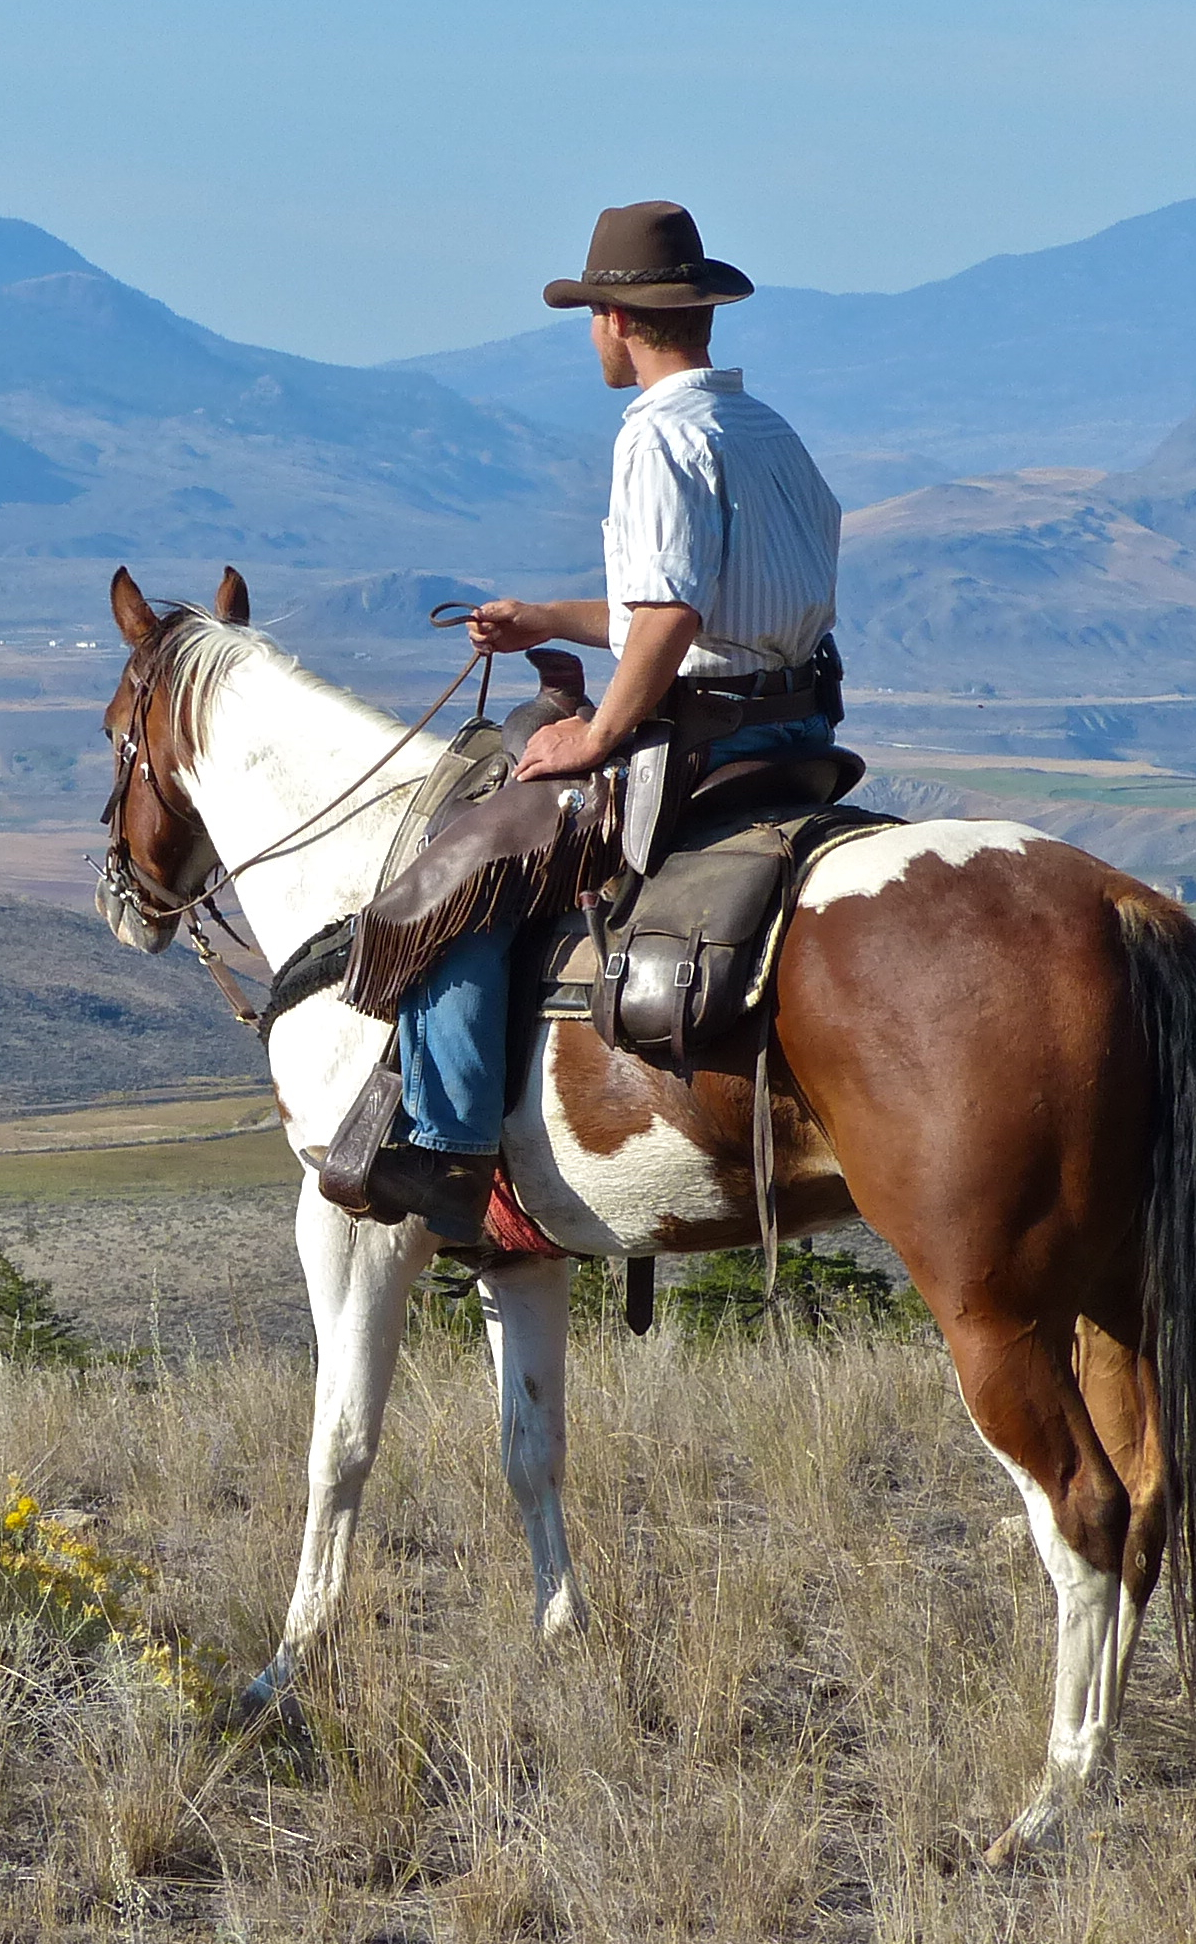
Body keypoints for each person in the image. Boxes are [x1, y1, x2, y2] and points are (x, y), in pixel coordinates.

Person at [362, 199, 844, 1222]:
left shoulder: (658, 436)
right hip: (798, 730)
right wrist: (545, 616)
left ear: (617, 322)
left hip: (700, 740)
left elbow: (669, 618)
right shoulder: (764, 430)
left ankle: (447, 1149)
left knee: (456, 880)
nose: (592, 335)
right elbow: (688, 607)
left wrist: (597, 732)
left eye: (591, 316)